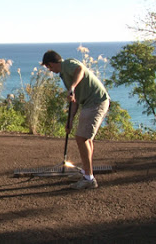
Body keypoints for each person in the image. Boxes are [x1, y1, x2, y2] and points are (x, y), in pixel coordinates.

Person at [42, 50, 110, 190]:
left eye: (48, 67)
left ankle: (89, 179)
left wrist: (72, 87)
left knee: (82, 138)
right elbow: (75, 100)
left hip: (96, 101)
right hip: (89, 103)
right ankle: (86, 173)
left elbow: (81, 69)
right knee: (86, 139)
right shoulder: (64, 75)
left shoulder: (68, 64)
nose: (49, 70)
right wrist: (70, 120)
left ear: (51, 63)